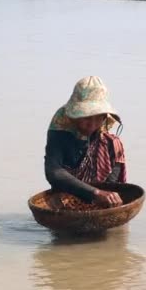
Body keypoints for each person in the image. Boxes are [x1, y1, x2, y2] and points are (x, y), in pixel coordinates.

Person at [44, 76, 127, 208]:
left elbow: (113, 183)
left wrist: (106, 196)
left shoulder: (108, 143)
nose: (92, 125)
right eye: (86, 118)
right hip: (68, 191)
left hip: (99, 194)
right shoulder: (60, 130)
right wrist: (94, 193)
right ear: (75, 116)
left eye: (98, 118)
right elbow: (53, 172)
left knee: (114, 143)